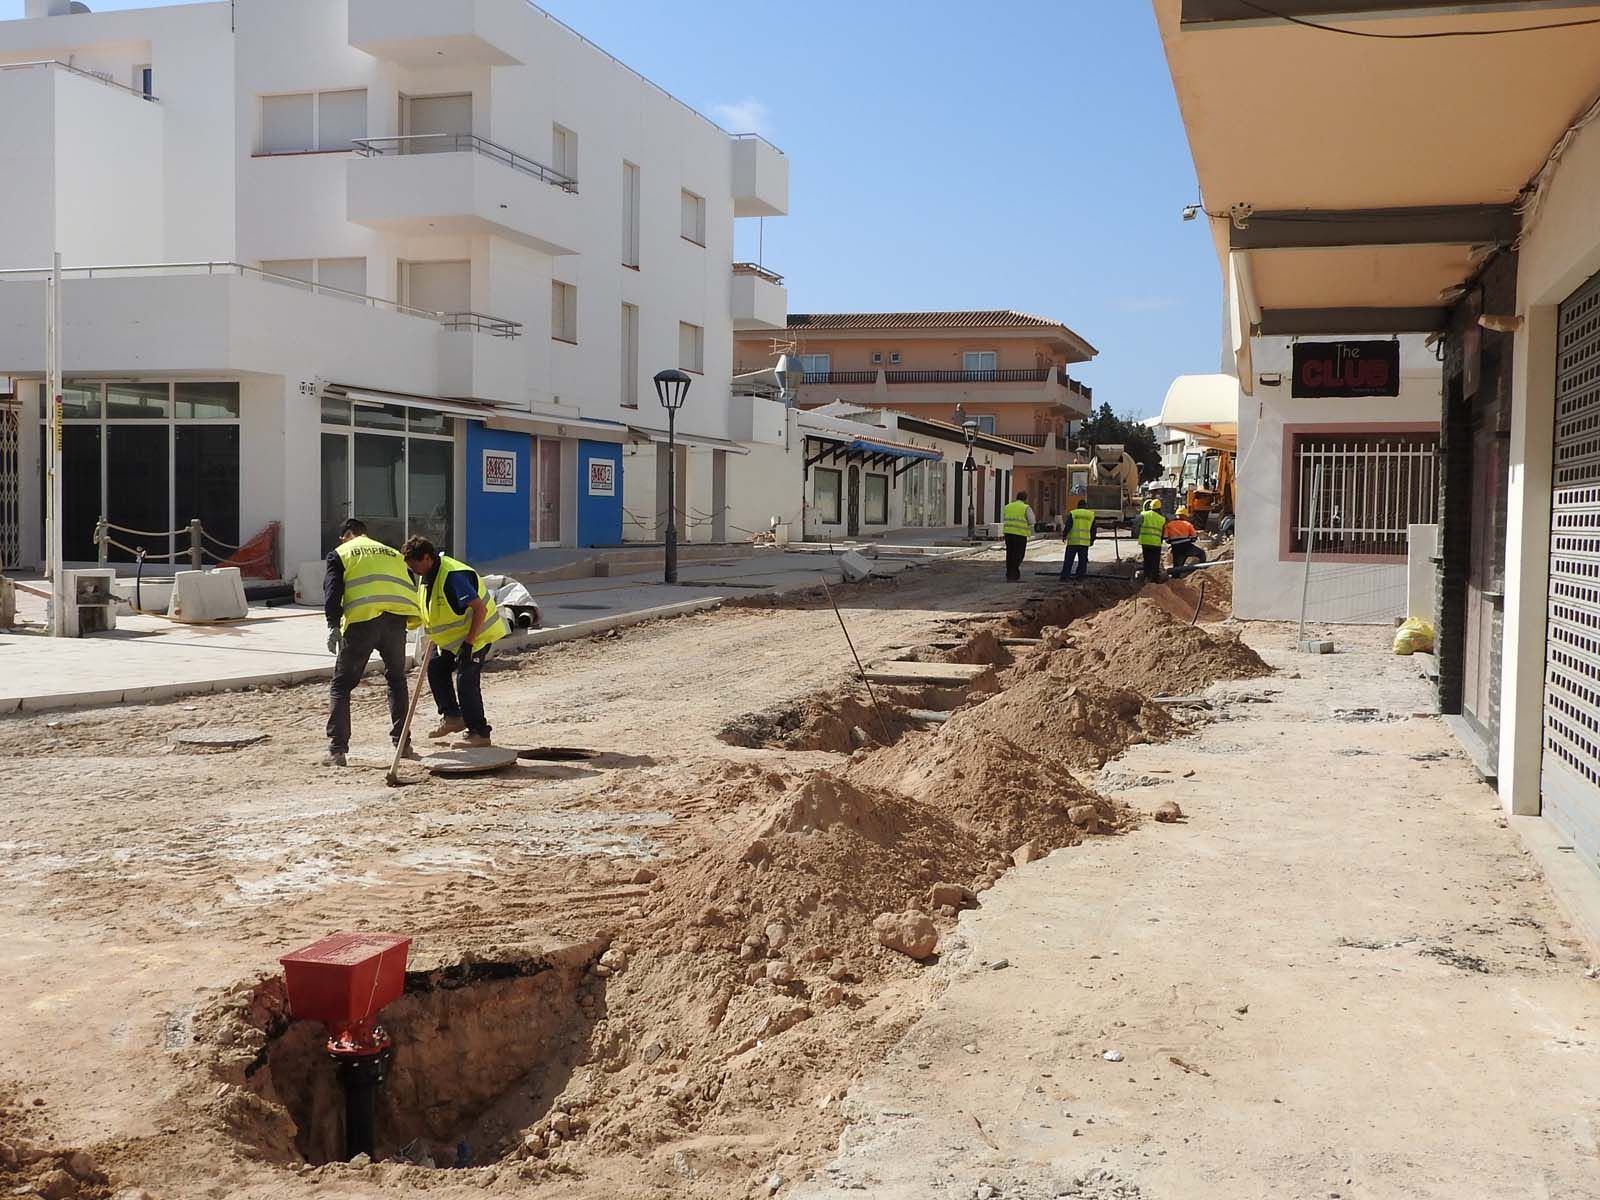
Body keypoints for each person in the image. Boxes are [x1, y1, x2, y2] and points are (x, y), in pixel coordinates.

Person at [323, 519, 423, 767]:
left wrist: (333, 625)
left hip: (362, 622)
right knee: (397, 680)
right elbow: (409, 584)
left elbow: (332, 590)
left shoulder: (341, 553)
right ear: (365, 534)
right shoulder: (391, 553)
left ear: (345, 536)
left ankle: (338, 750)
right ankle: (403, 743)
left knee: (341, 685)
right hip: (395, 621)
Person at [401, 537, 509, 748]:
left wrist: (468, 644)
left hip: (477, 635)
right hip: (450, 641)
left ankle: (479, 732)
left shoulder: (453, 576)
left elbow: (480, 609)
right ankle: (452, 717)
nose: (413, 571)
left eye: (415, 565)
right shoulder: (427, 576)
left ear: (427, 558)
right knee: (435, 668)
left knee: (466, 679)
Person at [1163, 505, 1208, 574]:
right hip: (1187, 546)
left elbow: (1166, 538)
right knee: (1201, 554)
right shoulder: (1187, 524)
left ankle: (1175, 579)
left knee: (1177, 567)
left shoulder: (1169, 525)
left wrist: (1173, 541)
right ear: (1185, 516)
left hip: (1176, 548)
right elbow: (1194, 537)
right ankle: (1201, 570)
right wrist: (1189, 539)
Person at [1002, 490, 1036, 582]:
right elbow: (1032, 521)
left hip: (1008, 533)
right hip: (1020, 534)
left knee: (1010, 554)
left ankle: (1009, 575)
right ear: (1025, 499)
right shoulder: (1026, 507)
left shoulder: (1007, 506)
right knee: (1018, 555)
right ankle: (1014, 575)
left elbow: (1004, 517)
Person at [1060, 502, 1096, 581]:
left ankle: (1065, 576)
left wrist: (1064, 535)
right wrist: (1092, 540)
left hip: (1073, 541)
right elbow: (1093, 529)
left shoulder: (1073, 513)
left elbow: (1068, 525)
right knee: (1082, 561)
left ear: (1078, 506)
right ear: (1086, 506)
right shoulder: (1091, 515)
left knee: (1069, 560)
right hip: (1084, 542)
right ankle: (1080, 577)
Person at [1137, 498, 1167, 583]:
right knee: (1155, 562)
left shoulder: (1143, 514)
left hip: (1145, 542)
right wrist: (1160, 542)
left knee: (1147, 560)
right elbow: (1162, 533)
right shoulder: (1162, 519)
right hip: (1156, 544)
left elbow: (1136, 523)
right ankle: (1154, 579)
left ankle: (1146, 577)